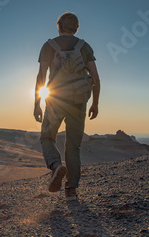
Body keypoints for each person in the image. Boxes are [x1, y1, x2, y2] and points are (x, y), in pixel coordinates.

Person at [34, 12, 100, 201]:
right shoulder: (84, 46)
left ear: (59, 26)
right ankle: (71, 189)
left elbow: (41, 77)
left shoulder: (48, 46)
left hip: (55, 99)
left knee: (47, 136)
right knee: (73, 146)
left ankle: (55, 166)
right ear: (77, 27)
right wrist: (95, 103)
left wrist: (37, 103)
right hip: (79, 101)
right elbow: (95, 78)